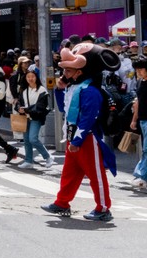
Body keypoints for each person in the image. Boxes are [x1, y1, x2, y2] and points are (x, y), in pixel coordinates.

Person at [42, 43, 120, 221]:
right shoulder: (75, 88)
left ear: (80, 72)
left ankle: (103, 208)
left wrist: (77, 141)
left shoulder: (91, 91)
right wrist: (60, 90)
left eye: (69, 70)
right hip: (73, 136)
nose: (65, 73)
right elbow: (63, 109)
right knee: (69, 173)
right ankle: (62, 202)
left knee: (95, 175)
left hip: (87, 138)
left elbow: (88, 119)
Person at [15, 67, 51, 168]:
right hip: (25, 118)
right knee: (26, 139)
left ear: (36, 77)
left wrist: (25, 109)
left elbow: (40, 107)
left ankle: (47, 156)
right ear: (25, 78)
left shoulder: (42, 90)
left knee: (33, 139)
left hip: (36, 117)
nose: (30, 79)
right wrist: (19, 108)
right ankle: (28, 161)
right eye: (28, 77)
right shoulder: (24, 90)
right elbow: (19, 103)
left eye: (33, 76)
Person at [130, 58, 147, 190]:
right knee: (145, 148)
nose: (139, 72)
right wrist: (134, 119)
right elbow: (138, 102)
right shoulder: (141, 82)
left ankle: (142, 175)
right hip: (142, 119)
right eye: (137, 70)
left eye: (141, 69)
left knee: (146, 149)